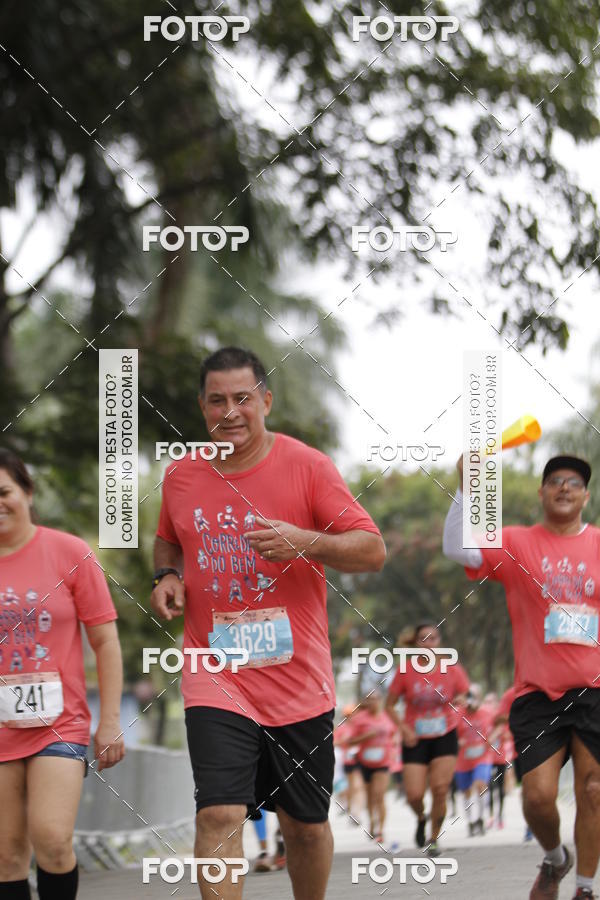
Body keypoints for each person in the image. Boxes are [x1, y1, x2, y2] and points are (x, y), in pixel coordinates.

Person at [150, 346, 385, 900]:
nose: (230, 411)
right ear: (202, 407)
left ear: (266, 401)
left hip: (297, 679)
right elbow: (168, 538)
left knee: (303, 826)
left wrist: (306, 541)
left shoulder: (308, 466)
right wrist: (165, 575)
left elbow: (372, 550)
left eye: (242, 398)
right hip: (216, 672)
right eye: (216, 400)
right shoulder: (182, 475)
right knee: (219, 815)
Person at [444, 453, 600, 899]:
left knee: (593, 790)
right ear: (542, 492)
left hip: (595, 691)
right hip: (536, 695)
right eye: (555, 481)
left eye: (574, 482)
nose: (565, 487)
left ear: (586, 495)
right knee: (537, 797)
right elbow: (458, 549)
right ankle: (554, 858)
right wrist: (467, 487)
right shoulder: (516, 541)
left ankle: (586, 889)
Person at [0, 449, 125, 900]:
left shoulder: (69, 552)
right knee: (6, 856)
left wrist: (109, 721)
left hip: (59, 722)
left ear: (27, 492)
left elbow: (106, 642)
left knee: (51, 839)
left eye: (4, 492)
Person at [385, 622, 469, 856]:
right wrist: (403, 729)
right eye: (423, 639)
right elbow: (389, 706)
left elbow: (463, 694)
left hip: (445, 734)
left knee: (440, 789)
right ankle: (421, 817)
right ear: (415, 643)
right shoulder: (405, 670)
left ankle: (434, 838)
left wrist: (458, 707)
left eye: (433, 639)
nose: (428, 644)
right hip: (415, 738)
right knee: (414, 794)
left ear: (438, 642)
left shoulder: (451, 668)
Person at [345, 692, 396, 843]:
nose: (374, 703)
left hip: (383, 763)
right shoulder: (359, 719)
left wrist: (393, 750)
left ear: (380, 700)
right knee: (370, 796)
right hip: (365, 762)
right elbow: (351, 742)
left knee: (379, 795)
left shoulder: (387, 717)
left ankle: (380, 830)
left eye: (376, 699)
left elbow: (394, 735)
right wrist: (366, 736)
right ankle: (372, 823)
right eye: (370, 700)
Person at [454, 684, 495, 836]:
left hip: (482, 757)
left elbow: (501, 725)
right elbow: (452, 735)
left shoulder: (487, 713)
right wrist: (457, 742)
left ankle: (481, 819)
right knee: (466, 791)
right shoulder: (458, 714)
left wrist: (492, 737)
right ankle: (470, 821)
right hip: (463, 759)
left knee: (480, 785)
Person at [333, 704, 364, 823]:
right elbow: (334, 742)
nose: (350, 717)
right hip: (348, 761)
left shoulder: (361, 726)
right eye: (347, 715)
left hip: (361, 760)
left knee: (358, 787)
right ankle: (351, 810)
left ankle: (357, 813)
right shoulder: (342, 728)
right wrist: (343, 740)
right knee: (351, 788)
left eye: (352, 715)